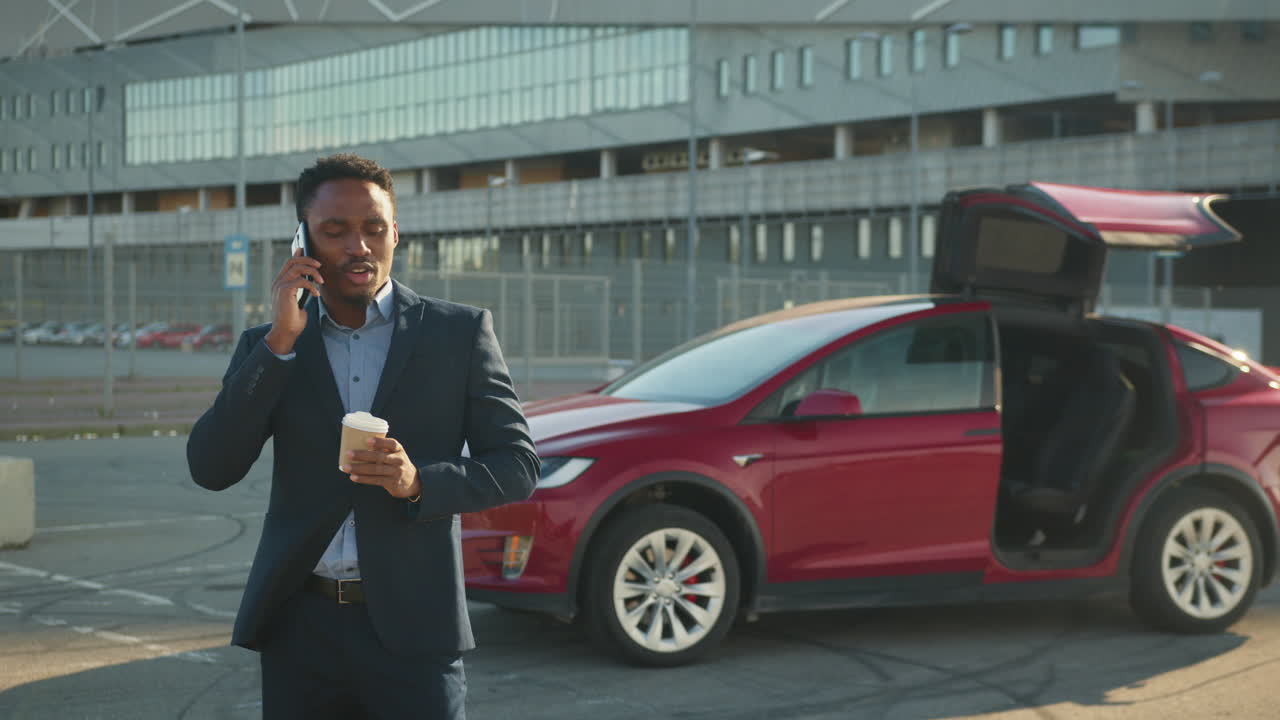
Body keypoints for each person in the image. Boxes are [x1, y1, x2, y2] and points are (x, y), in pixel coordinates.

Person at [187, 153, 538, 719]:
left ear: (395, 232)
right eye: (335, 231)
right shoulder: (270, 345)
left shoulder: (458, 333)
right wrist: (279, 343)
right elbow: (211, 467)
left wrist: (419, 482)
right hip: (299, 630)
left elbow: (517, 465)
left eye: (374, 228)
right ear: (302, 241)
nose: (360, 246)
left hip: (415, 631)